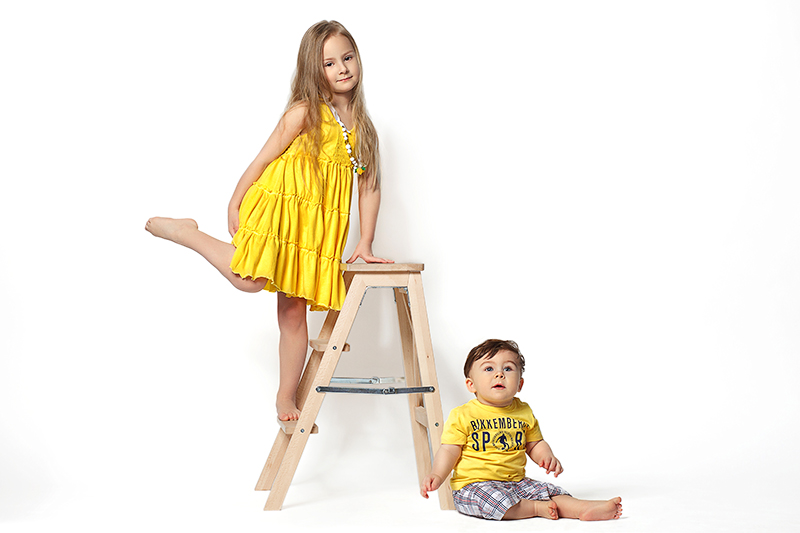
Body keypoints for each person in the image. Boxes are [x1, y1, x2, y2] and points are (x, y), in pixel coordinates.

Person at [145, 20, 392, 422]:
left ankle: (285, 396)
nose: (342, 68)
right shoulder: (306, 112)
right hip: (280, 209)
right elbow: (263, 158)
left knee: (294, 312)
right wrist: (235, 201)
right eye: (329, 63)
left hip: (312, 230)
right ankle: (186, 233)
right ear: (314, 70)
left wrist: (365, 241)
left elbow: (369, 186)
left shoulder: (364, 129)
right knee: (248, 279)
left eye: (347, 58)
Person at [420, 339, 622, 521]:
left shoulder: (523, 411)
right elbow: (449, 450)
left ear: (520, 384)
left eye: (508, 368)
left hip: (516, 482)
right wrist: (437, 475)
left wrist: (546, 456)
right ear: (471, 384)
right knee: (494, 501)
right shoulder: (462, 415)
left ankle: (582, 508)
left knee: (550, 491)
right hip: (474, 485)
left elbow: (534, 443)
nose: (499, 374)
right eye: (489, 368)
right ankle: (534, 508)